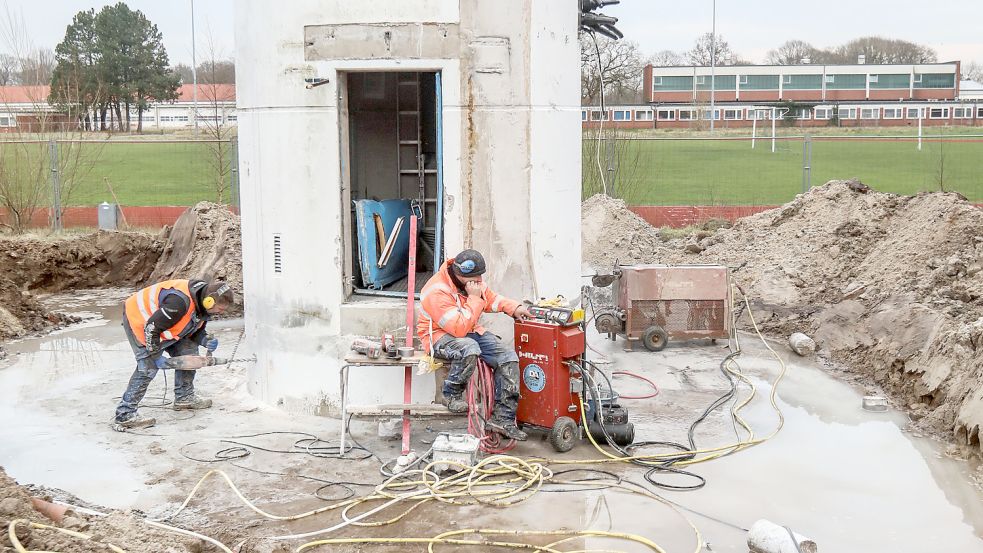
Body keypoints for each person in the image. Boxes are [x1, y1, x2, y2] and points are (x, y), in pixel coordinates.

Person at [417, 249, 532, 441]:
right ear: (459, 274)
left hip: (469, 330)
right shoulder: (437, 291)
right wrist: (473, 298)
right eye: (474, 278)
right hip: (439, 336)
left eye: (480, 276)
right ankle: (451, 395)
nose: (478, 280)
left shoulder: (471, 282)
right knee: (469, 347)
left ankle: (502, 419)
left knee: (507, 356)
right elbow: (458, 330)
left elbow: (491, 299)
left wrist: (514, 308)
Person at [112, 279, 234, 431]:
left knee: (189, 351)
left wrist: (204, 339)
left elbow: (193, 331)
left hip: (161, 325)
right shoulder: (179, 303)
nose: (221, 313)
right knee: (147, 367)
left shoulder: (201, 304)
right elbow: (151, 328)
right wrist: (156, 356)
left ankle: (184, 397)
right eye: (220, 309)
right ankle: (125, 414)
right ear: (209, 301)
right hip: (139, 319)